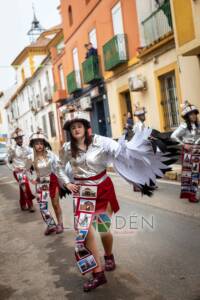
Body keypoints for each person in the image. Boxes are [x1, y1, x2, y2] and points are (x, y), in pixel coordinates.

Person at [57, 111, 176, 292]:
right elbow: (58, 166)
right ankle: (98, 274)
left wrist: (142, 149)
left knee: (103, 229)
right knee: (84, 232)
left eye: (79, 126)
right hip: (83, 194)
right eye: (73, 127)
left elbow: (122, 151)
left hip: (103, 189)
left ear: (86, 127)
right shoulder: (66, 148)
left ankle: (109, 255)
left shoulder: (101, 141)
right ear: (70, 131)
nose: (76, 129)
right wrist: (66, 182)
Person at [27, 129, 65, 235]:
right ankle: (51, 225)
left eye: (41, 143)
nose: (39, 145)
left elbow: (59, 167)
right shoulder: (30, 157)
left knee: (55, 204)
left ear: (44, 144)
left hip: (52, 180)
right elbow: (26, 170)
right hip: (41, 182)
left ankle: (60, 224)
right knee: (42, 205)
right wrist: (32, 179)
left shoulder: (51, 155)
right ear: (33, 145)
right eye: (36, 144)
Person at [171, 101, 200, 203]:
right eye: (191, 114)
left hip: (197, 150)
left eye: (194, 114)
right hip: (188, 152)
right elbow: (173, 136)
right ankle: (190, 195)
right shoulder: (184, 126)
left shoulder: (198, 125)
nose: (193, 116)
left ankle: (193, 193)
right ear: (187, 116)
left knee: (196, 173)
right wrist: (184, 144)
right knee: (189, 174)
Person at [7, 128, 35, 212]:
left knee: (22, 188)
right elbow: (8, 160)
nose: (20, 140)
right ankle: (30, 205)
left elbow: (33, 154)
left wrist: (30, 164)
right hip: (18, 172)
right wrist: (13, 168)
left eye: (21, 138)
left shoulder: (26, 148)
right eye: (18, 139)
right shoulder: (12, 149)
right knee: (25, 185)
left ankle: (22, 204)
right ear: (15, 140)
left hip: (25, 170)